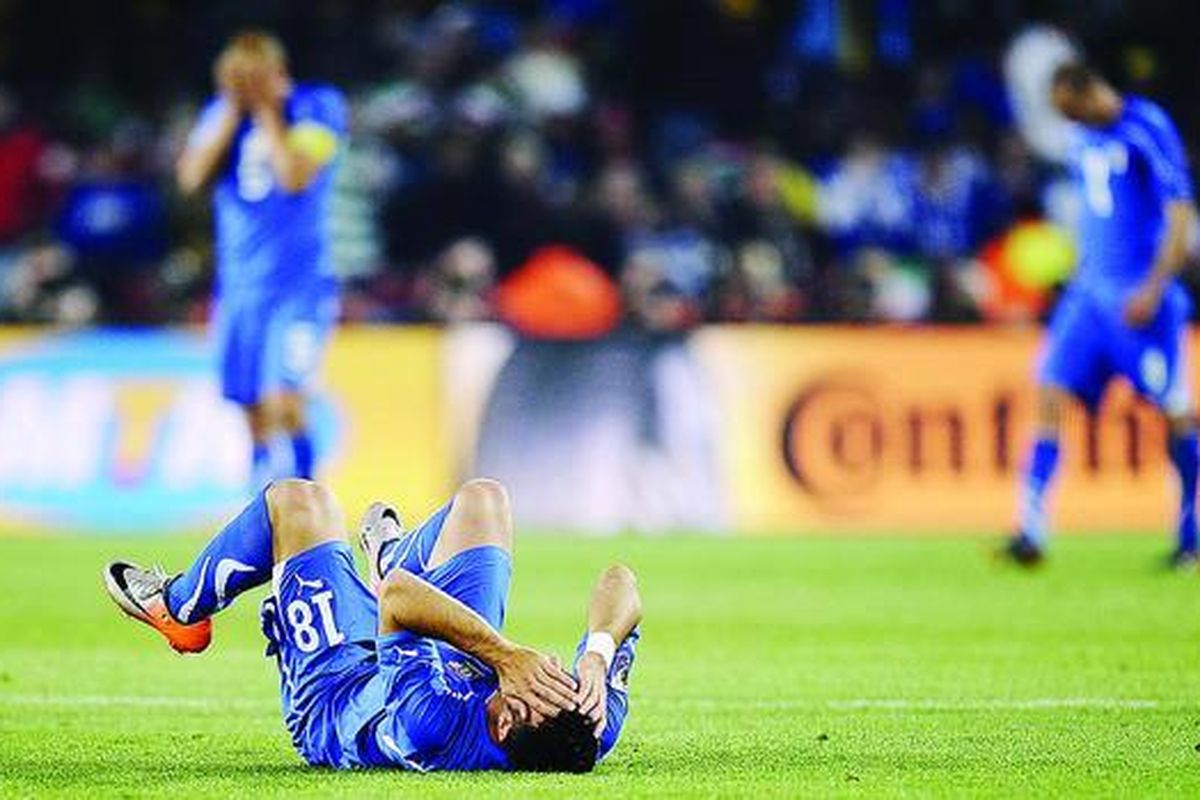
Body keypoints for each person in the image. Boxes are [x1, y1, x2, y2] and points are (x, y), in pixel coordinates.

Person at [102, 477, 642, 773]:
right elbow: (622, 583)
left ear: (503, 726)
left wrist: (505, 656)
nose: (550, 669)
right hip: (432, 650)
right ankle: (391, 556)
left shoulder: (431, 725)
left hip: (339, 685)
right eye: (560, 679)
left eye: (538, 686)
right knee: (485, 499)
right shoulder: (583, 724)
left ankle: (178, 607)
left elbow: (398, 600)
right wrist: (597, 656)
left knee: (300, 502)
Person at [1003, 62, 1198, 567]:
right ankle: (1030, 531)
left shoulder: (1146, 126)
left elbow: (1180, 211)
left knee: (1175, 410)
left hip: (1140, 298)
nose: (1068, 120)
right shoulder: (1082, 139)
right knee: (1049, 391)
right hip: (1088, 297)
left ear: (1087, 91)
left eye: (1069, 109)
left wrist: (1155, 287)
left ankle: (1190, 535)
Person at [177, 31, 347, 487]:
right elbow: (190, 178)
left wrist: (268, 111)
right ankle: (261, 498)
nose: (243, 86)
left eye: (252, 77)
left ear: (277, 71)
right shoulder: (221, 115)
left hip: (299, 286)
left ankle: (308, 492)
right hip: (239, 287)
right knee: (250, 406)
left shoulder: (318, 107)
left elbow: (294, 177)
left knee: (286, 399)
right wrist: (234, 113)